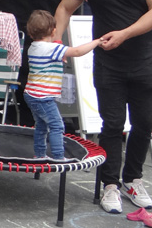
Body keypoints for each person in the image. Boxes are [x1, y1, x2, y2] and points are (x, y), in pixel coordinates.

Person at [54, 0, 152, 214]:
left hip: (144, 60)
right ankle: (110, 184)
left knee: (144, 123)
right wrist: (56, 42)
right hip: (108, 63)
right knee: (112, 124)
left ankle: (133, 179)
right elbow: (65, 7)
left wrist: (124, 34)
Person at [24, 10, 103, 160]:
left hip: (31, 94)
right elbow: (77, 51)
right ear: (53, 31)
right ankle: (58, 157)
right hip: (43, 97)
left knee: (41, 125)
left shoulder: (34, 47)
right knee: (57, 125)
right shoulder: (52, 49)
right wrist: (97, 42)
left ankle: (39, 155)